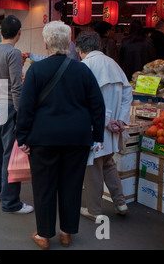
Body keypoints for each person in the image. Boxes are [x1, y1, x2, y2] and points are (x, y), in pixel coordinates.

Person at [15, 21, 105, 249]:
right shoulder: (82, 69)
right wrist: (98, 134)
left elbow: (26, 107)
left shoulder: (36, 70)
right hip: (77, 138)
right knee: (72, 185)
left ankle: (44, 235)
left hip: (44, 138)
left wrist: (22, 136)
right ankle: (67, 232)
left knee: (44, 186)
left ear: (46, 44)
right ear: (69, 44)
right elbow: (97, 105)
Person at [75, 31, 132, 220]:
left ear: (80, 49)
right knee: (108, 163)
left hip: (95, 127)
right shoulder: (113, 63)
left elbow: (88, 100)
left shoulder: (85, 66)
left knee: (92, 168)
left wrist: (106, 120)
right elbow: (127, 91)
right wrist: (121, 119)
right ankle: (121, 202)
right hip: (114, 127)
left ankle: (94, 210)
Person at [0, 15, 33, 214]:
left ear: (1, 32)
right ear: (19, 33)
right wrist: (22, 112)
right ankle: (11, 201)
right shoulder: (13, 53)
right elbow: (17, 85)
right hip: (10, 106)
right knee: (10, 154)